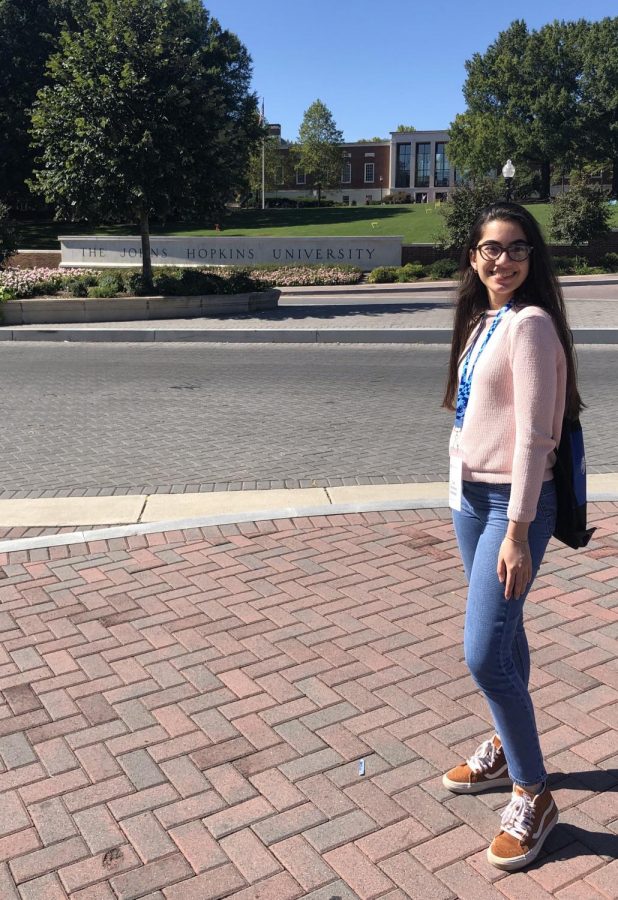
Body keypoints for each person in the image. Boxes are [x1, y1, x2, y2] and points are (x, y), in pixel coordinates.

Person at [441, 201, 582, 872]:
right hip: (472, 500)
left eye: (518, 248)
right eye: (492, 248)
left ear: (533, 258)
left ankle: (534, 794)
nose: (504, 259)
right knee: (507, 633)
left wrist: (519, 530)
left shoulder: (530, 325)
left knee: (484, 655)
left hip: (512, 507)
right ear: (473, 257)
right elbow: (471, 411)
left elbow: (535, 437)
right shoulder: (483, 319)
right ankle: (505, 746)